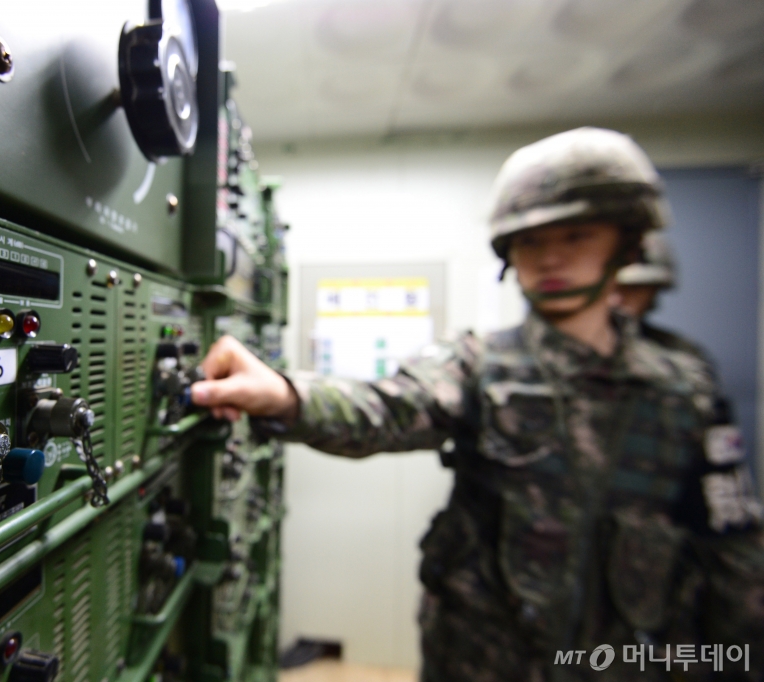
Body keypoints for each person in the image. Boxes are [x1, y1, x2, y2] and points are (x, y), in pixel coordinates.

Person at [189, 128, 764, 681]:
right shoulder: (478, 364)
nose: (550, 260)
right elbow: (386, 410)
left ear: (626, 243)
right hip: (482, 660)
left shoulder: (683, 388)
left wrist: (733, 663)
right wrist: (286, 395)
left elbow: (732, 550)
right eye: (531, 241)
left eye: (576, 236)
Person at [612, 230, 711, 361]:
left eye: (633, 289)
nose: (616, 298)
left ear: (653, 292)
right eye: (611, 288)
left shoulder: (680, 355)